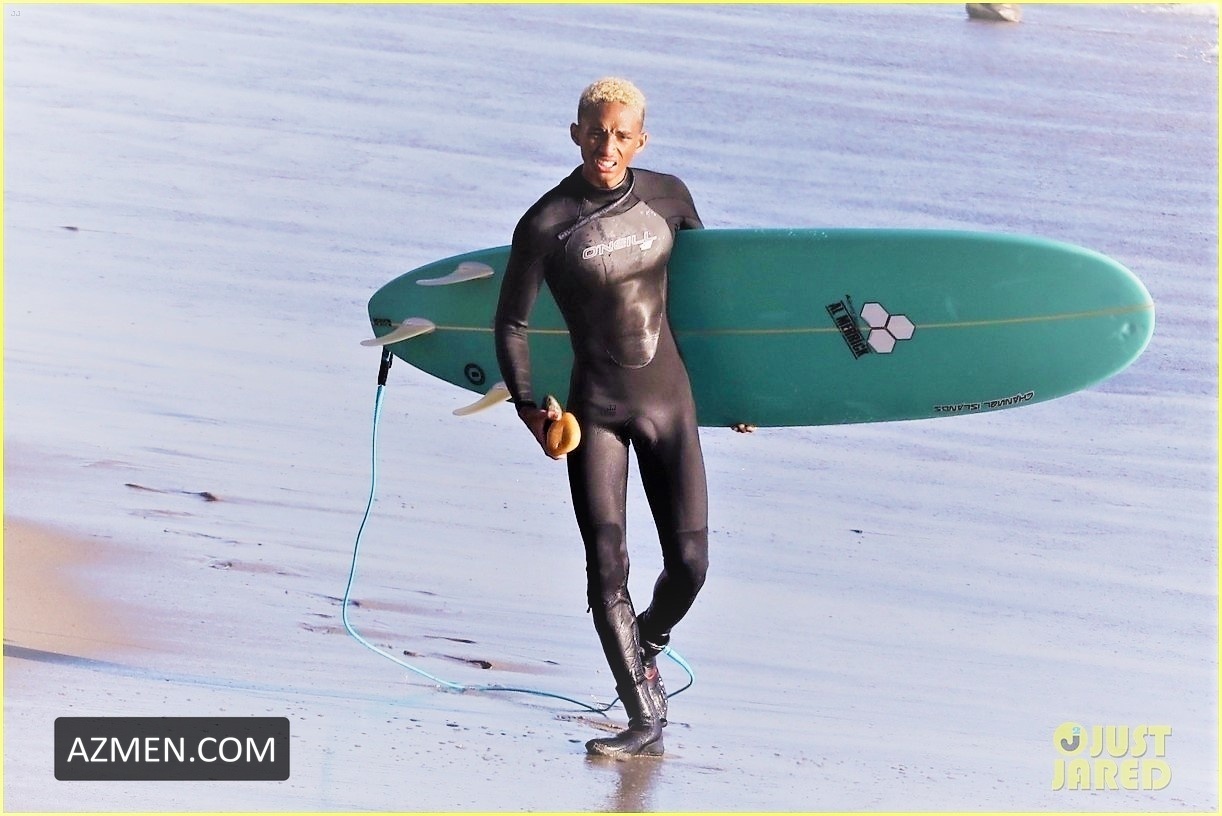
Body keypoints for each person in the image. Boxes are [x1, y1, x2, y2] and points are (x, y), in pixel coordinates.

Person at [494, 77, 709, 759]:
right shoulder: (547, 222)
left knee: (691, 566)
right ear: (575, 134)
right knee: (606, 565)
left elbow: (713, 300)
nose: (606, 146)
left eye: (620, 135)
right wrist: (530, 410)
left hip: (670, 401)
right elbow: (511, 323)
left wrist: (746, 396)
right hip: (597, 414)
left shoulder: (670, 197)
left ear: (641, 139)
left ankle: (648, 639)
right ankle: (643, 718)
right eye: (595, 132)